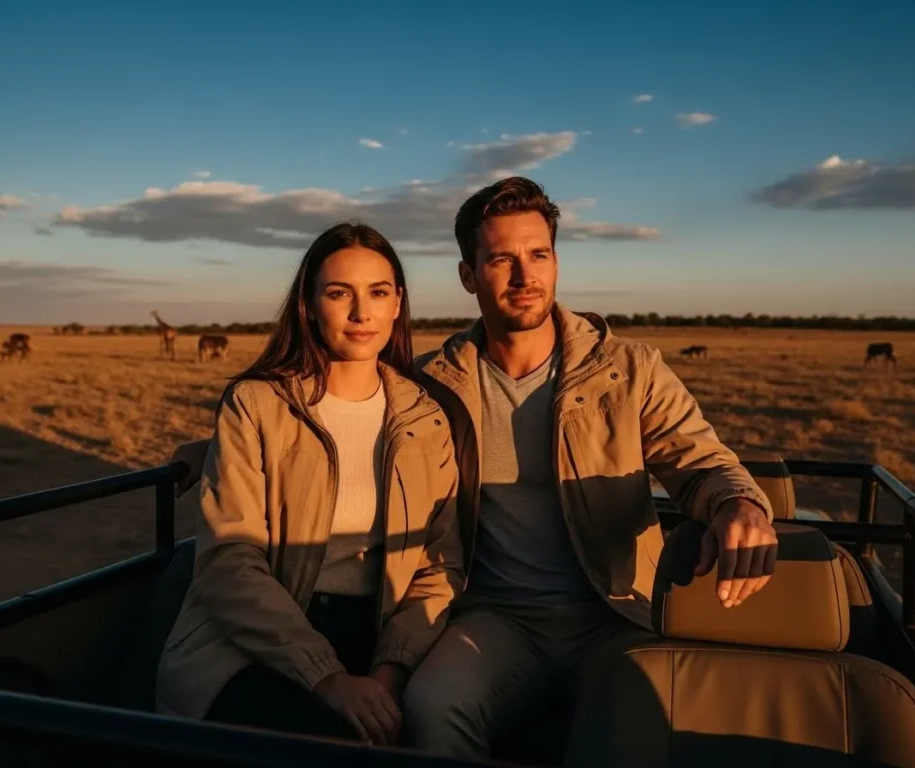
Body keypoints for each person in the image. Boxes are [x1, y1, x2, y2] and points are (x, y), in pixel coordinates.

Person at [167, 177, 780, 760]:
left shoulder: (628, 370)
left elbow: (700, 458)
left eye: (539, 255)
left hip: (614, 613)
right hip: (493, 618)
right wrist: (214, 446)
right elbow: (334, 417)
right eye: (500, 260)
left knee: (636, 720)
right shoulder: (436, 386)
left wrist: (738, 503)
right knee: (434, 706)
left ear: (557, 263)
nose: (524, 276)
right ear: (468, 274)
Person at [155, 222, 463, 748]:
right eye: (340, 292)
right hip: (254, 637)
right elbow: (229, 561)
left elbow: (439, 566)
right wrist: (327, 678)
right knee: (323, 741)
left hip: (379, 635)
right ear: (309, 302)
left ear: (397, 304)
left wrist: (391, 671)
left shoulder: (425, 418)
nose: (361, 313)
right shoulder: (256, 405)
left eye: (378, 293)